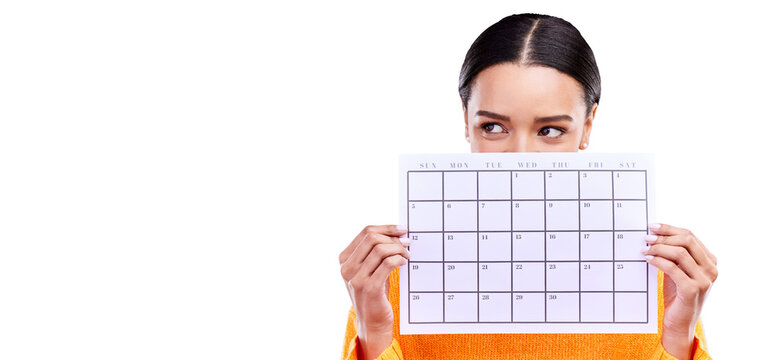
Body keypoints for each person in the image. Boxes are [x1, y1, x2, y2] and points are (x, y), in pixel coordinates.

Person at [338, 13, 717, 360]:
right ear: (466, 120)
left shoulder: (653, 277)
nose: (521, 158)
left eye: (550, 130)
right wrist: (373, 330)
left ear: (587, 127)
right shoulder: (392, 277)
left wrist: (678, 333)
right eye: (493, 127)